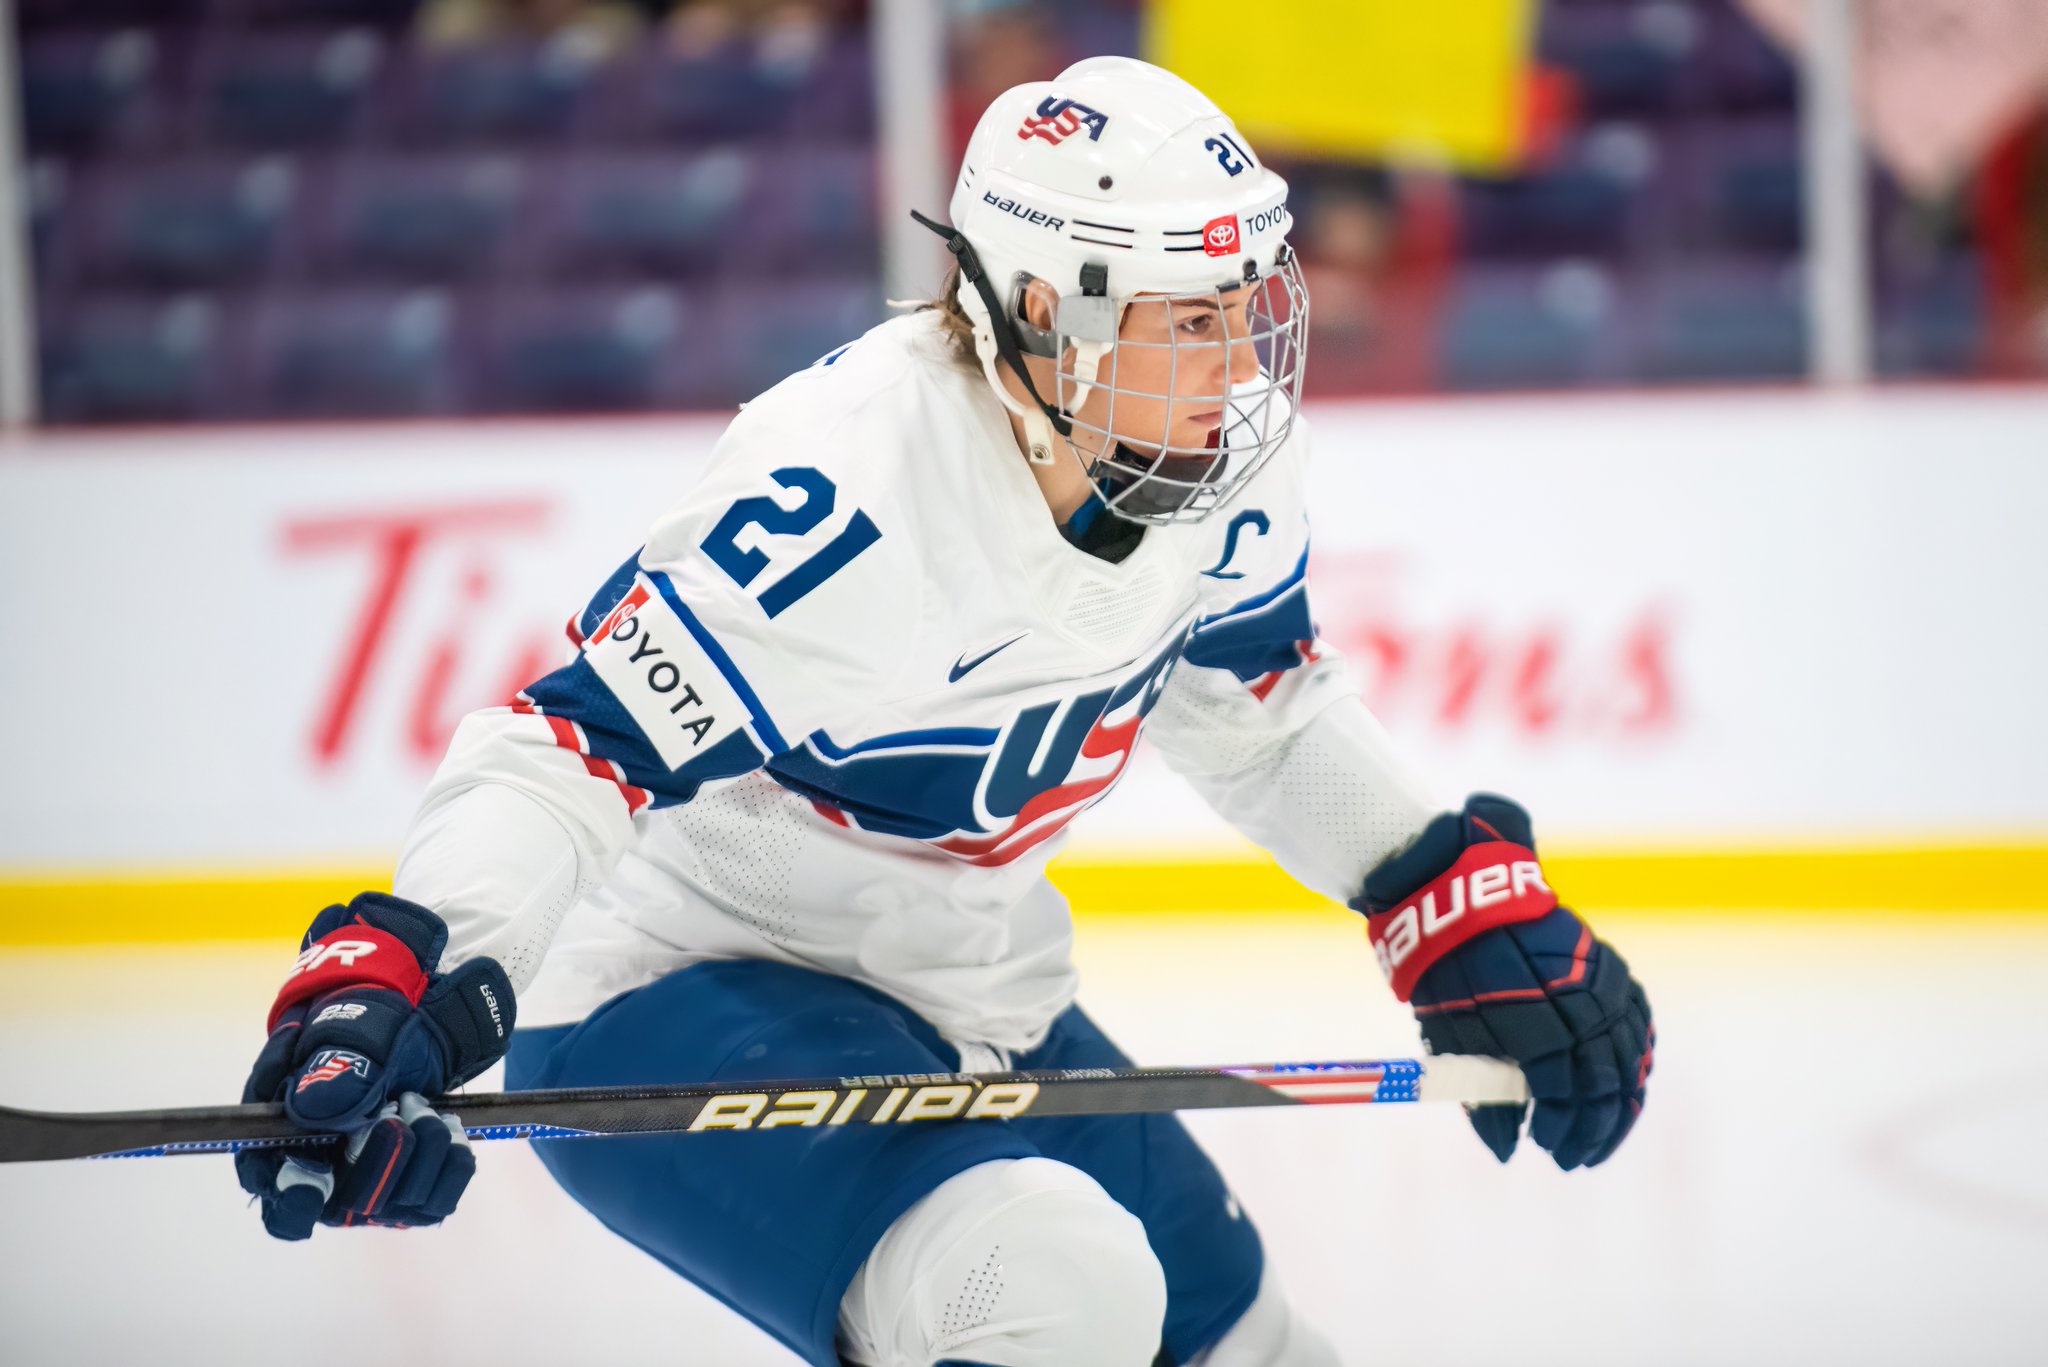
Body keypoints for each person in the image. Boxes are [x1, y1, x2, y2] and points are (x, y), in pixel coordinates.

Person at [235, 57, 1656, 1367]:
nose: (1241, 368)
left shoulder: (1212, 465)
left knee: (1257, 1351)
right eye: (1193, 318)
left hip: (976, 991)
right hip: (673, 999)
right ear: (1046, 312)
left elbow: (1260, 712)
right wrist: (409, 972)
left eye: (1248, 308)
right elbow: (571, 750)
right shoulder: (847, 493)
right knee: (1056, 1290)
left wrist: (1444, 894)